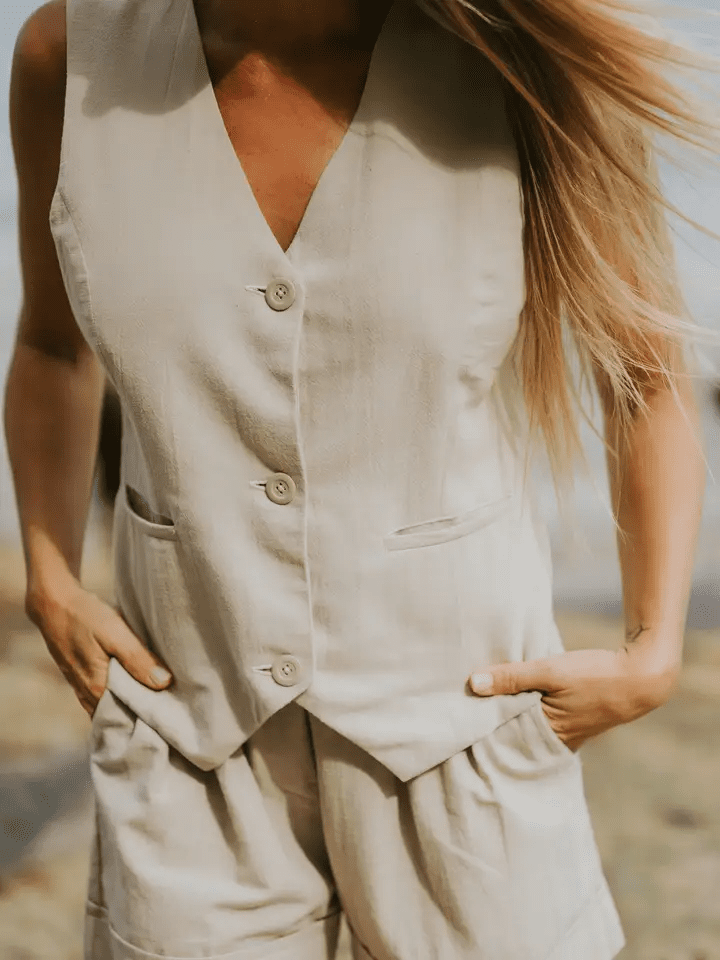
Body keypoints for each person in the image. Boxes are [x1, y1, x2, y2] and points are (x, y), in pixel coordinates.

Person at [5, 0, 720, 957]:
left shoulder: (520, 59)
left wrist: (653, 646)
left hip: (466, 739)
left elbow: (643, 376)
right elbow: (53, 349)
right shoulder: (68, 55)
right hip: (190, 744)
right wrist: (50, 574)